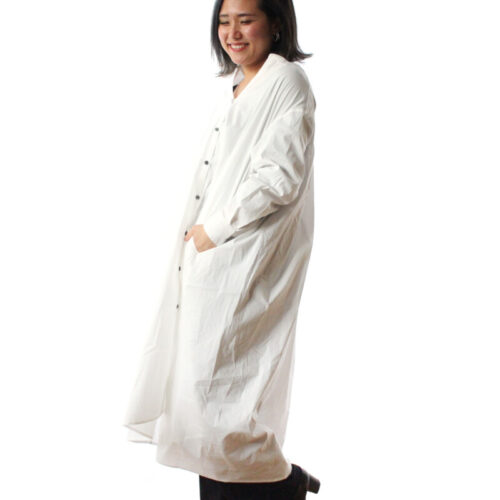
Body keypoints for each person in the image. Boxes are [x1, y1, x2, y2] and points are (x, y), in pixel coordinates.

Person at [122, 0, 320, 498]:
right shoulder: (235, 86)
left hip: (248, 261)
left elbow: (279, 176)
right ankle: (285, 483)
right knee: (198, 401)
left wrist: (214, 229)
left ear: (276, 24)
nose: (232, 32)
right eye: (224, 21)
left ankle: (283, 482)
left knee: (219, 400)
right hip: (211, 265)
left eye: (246, 20)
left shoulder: (286, 83)